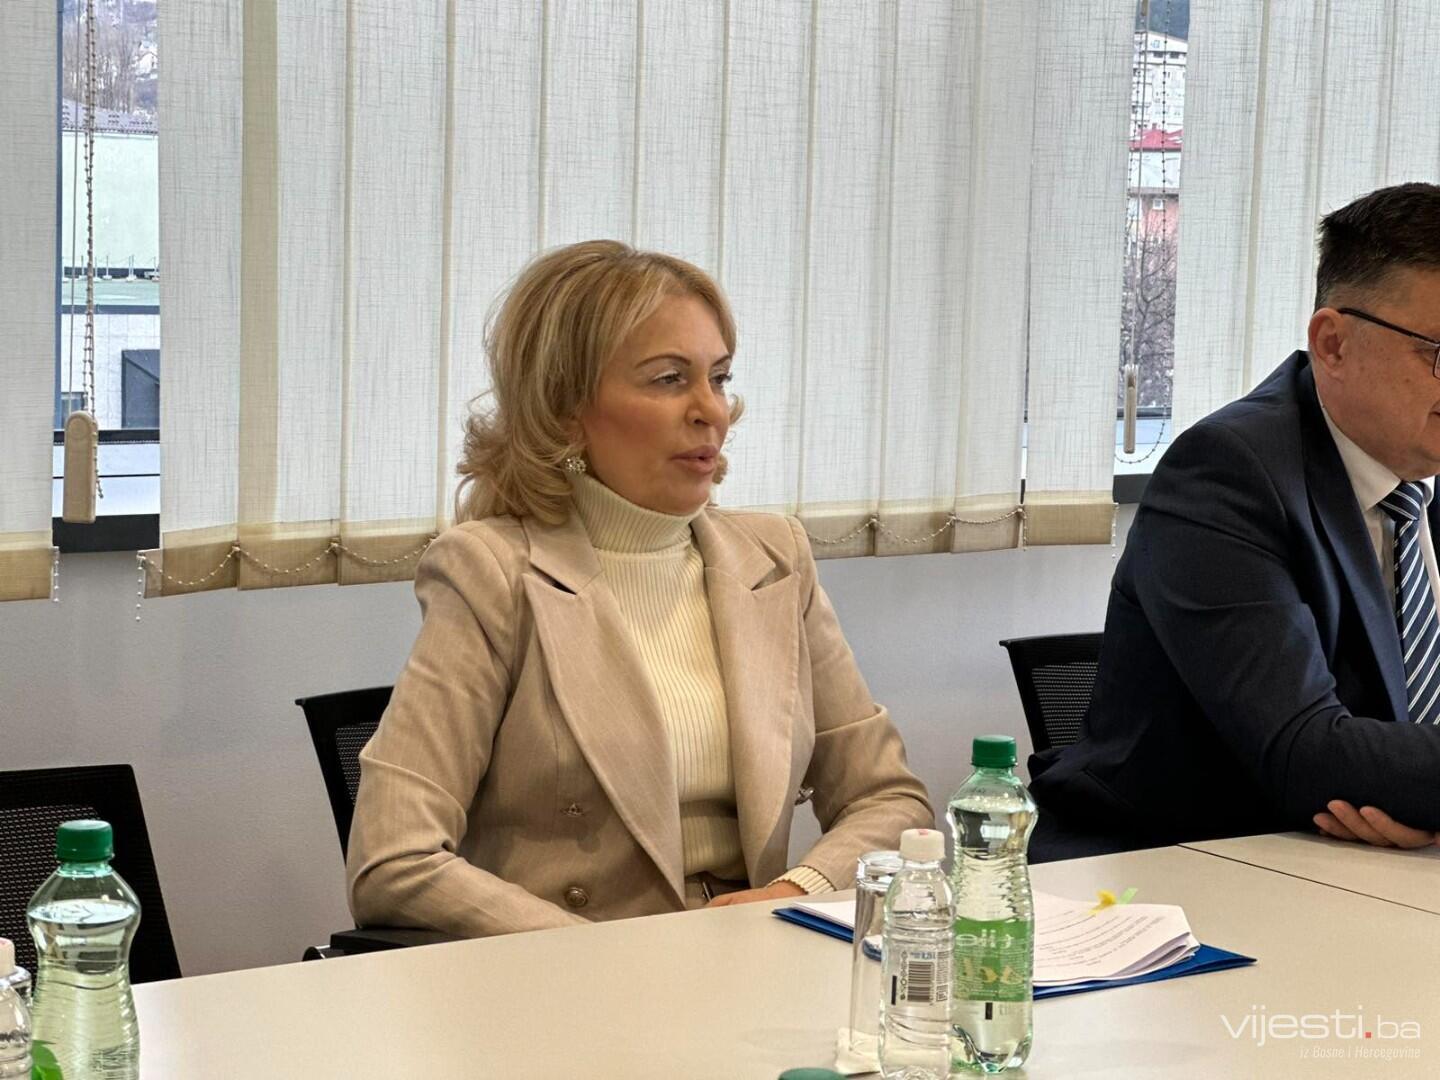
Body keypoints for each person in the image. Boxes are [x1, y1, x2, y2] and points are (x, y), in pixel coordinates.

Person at [347, 240, 934, 937]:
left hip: (749, 954)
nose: (711, 410)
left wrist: (792, 890)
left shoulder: (774, 557)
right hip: (570, 972)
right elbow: (393, 860)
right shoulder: (491, 572)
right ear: (566, 410)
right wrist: (611, 956)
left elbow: (888, 801)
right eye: (668, 380)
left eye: (719, 377)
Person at [1030, 182, 1440, 860]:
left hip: (1365, 870)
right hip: (1171, 876)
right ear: (1333, 344)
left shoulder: (1419, 475)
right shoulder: (1226, 475)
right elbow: (1308, 754)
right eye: (1438, 354)